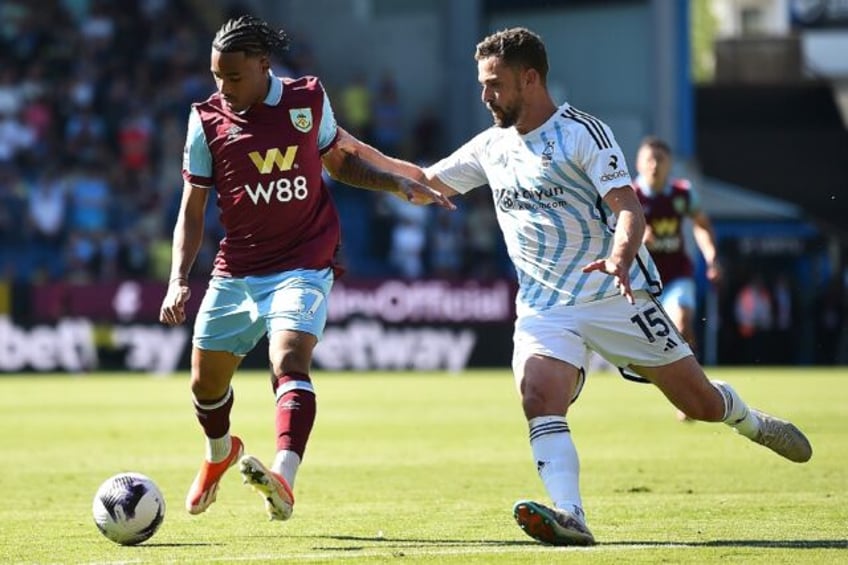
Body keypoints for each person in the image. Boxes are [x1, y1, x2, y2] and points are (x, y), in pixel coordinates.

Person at [351, 27, 812, 547]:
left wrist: (618, 258)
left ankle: (751, 421)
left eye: (495, 84)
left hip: (615, 296)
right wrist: (347, 146)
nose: (485, 96)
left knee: (701, 404)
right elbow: (423, 180)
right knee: (537, 395)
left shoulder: (583, 135)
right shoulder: (490, 147)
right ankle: (570, 515)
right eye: (483, 85)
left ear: (530, 78)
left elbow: (628, 210)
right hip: (545, 306)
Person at [158, 15, 452, 522]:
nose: (223, 88)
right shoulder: (205, 120)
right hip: (237, 269)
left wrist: (395, 183)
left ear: (263, 65)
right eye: (216, 77)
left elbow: (339, 161)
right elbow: (192, 207)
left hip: (304, 259)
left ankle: (283, 478)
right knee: (206, 387)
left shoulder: (306, 99)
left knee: (289, 358)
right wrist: (179, 279)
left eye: (233, 77)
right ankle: (219, 453)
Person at [632, 136, 721, 420]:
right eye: (650, 159)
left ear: (670, 164)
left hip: (676, 276)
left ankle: (691, 395)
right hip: (640, 282)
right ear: (639, 163)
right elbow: (607, 231)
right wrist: (633, 236)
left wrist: (711, 257)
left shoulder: (682, 194)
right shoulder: (629, 194)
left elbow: (702, 225)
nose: (655, 165)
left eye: (661, 159)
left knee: (682, 321)